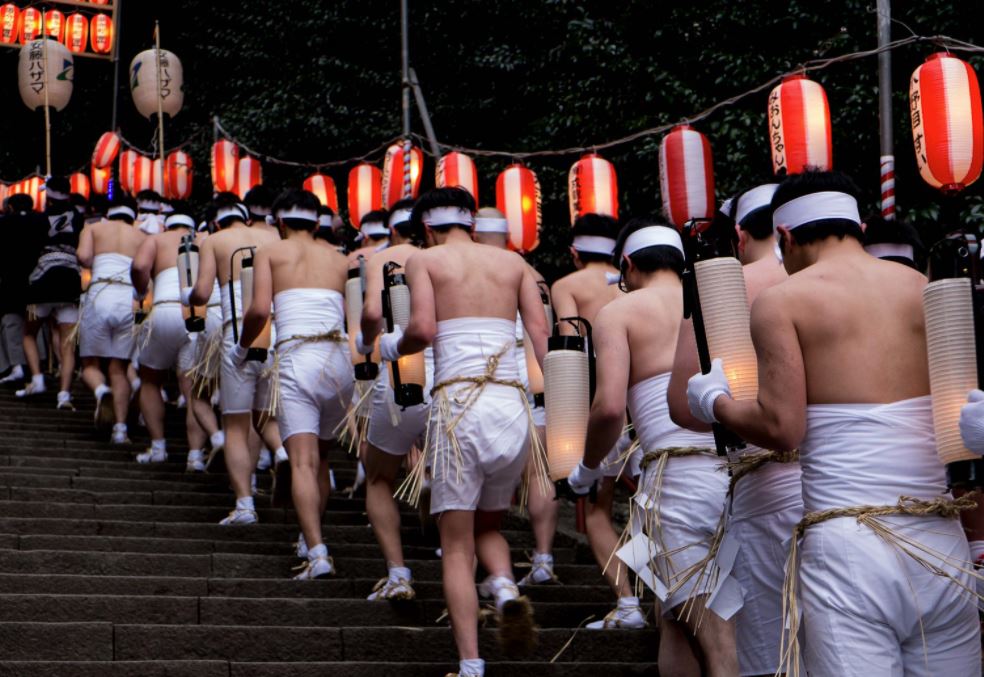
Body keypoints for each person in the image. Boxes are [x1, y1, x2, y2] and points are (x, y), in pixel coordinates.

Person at [687, 170, 981, 675]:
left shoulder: (783, 301)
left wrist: (714, 402)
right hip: (940, 539)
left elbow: (782, 428)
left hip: (848, 546)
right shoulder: (923, 288)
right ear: (859, 227)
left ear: (784, 236)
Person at [388, 187, 549, 677]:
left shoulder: (424, 260)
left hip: (459, 409)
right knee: (489, 526)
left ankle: (471, 664)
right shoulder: (514, 264)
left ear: (427, 228)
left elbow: (422, 329)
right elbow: (542, 339)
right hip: (512, 408)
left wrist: (393, 346)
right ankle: (504, 588)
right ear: (471, 224)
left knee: (456, 545)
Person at [568, 218, 739, 676]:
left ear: (627, 265)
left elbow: (608, 408)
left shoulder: (619, 312)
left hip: (674, 485)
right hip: (736, 472)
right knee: (676, 617)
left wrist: (587, 469)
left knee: (713, 640)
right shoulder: (715, 298)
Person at [667, 183, 802, 677]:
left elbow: (683, 407)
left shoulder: (721, 286)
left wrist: (720, 404)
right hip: (857, 489)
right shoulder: (849, 282)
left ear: (740, 236)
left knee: (773, 651)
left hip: (766, 489)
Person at [239, 189, 353, 579]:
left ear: (280, 222)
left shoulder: (271, 253)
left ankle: (318, 552)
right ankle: (308, 538)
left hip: (297, 357)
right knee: (321, 457)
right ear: (317, 222)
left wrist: (243, 345)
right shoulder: (340, 258)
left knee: (302, 460)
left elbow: (259, 310)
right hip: (338, 361)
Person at [550, 213, 639, 627]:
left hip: (602, 398)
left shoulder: (568, 286)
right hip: (648, 401)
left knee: (597, 509)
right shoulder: (635, 282)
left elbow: (570, 348)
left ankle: (628, 602)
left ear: (574, 252)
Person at [185, 193, 285, 525]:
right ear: (245, 216)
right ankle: (282, 453)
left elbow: (202, 293)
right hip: (276, 332)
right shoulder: (273, 237)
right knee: (266, 416)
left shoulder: (214, 241)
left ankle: (245, 504)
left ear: (215, 222)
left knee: (236, 424)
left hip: (238, 332)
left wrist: (187, 294)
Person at [472, 207, 558, 586]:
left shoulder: (471, 270)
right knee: (539, 470)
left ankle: (472, 550)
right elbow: (544, 330)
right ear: (508, 237)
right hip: (535, 373)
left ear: (474, 235)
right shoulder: (532, 274)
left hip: (492, 376)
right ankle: (543, 558)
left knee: (476, 468)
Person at [355, 198, 430, 600]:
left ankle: (399, 573)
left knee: (379, 476)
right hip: (451, 380)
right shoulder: (447, 258)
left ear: (393, 230)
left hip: (401, 371)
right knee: (459, 482)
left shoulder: (383, 259)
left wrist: (367, 344)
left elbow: (371, 314)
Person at [131, 204, 213, 465]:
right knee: (193, 388)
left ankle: (158, 448)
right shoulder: (204, 240)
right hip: (196, 313)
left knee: (150, 380)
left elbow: (139, 266)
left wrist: (140, 291)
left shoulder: (156, 239)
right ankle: (195, 456)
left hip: (164, 309)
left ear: (167, 224)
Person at [75, 195, 146, 444]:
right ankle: (120, 429)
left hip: (100, 292)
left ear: (109, 213)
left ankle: (101, 390)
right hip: (128, 297)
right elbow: (144, 270)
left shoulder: (93, 228)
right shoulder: (142, 236)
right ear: (133, 215)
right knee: (119, 368)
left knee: (89, 363)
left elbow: (84, 257)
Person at [17, 177, 84, 408]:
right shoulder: (79, 218)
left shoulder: (38, 218)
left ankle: (37, 379)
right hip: (70, 283)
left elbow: (28, 249)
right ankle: (64, 394)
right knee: (68, 344)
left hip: (40, 284)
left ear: (49, 196)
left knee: (28, 333)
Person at [0, 194, 46, 385]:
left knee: (11, 320)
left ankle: (17, 365)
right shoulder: (41, 220)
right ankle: (39, 363)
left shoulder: (4, 222)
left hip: (11, 279)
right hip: (36, 278)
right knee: (34, 322)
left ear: (10, 207)